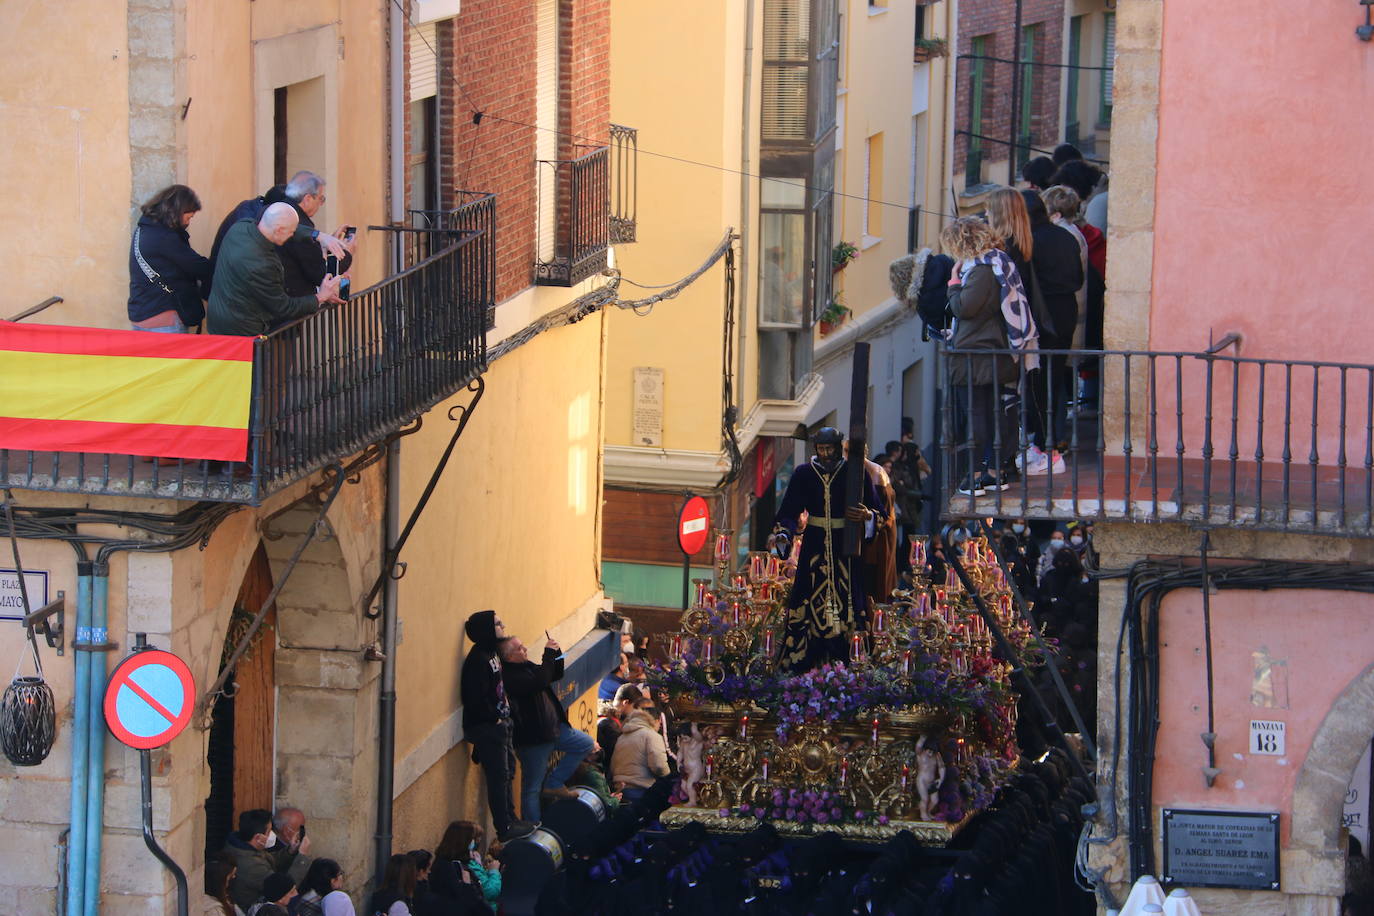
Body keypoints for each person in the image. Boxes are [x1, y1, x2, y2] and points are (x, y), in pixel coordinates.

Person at [768, 426, 879, 672]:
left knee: (849, 597)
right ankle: (802, 664)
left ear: (840, 448)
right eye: (821, 449)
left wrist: (867, 516)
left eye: (830, 449)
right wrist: (784, 533)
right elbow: (788, 511)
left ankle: (852, 660)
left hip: (846, 548)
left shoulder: (856, 473)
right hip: (814, 546)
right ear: (815, 449)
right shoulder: (803, 474)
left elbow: (877, 511)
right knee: (807, 598)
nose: (826, 454)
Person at [942, 217, 1032, 496]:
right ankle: (993, 472)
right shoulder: (996, 263)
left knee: (977, 415)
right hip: (992, 353)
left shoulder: (980, 270)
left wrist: (954, 283)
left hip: (976, 355)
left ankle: (978, 476)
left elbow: (964, 308)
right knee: (994, 414)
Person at [500, 633, 596, 822]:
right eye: (519, 648)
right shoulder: (510, 676)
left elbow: (555, 673)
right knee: (532, 788)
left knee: (585, 743)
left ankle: (554, 782)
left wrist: (557, 653)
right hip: (533, 738)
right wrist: (548, 655)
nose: (525, 649)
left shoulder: (526, 667)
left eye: (523, 645)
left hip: (554, 729)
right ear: (509, 657)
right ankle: (533, 828)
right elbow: (540, 681)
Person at [208, 203, 343, 337]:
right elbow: (283, 307)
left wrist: (318, 236)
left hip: (218, 320)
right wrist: (320, 297)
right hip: (242, 332)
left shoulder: (240, 228)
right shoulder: (262, 264)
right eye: (291, 232)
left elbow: (282, 225)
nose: (292, 235)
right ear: (279, 230)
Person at [460, 610, 533, 842]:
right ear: (486, 630)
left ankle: (511, 818)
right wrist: (495, 719)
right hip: (488, 728)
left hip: (500, 725)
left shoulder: (492, 652)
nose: (503, 626)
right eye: (498, 623)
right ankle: (504, 828)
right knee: (498, 777)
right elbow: (475, 698)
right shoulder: (477, 659)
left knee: (508, 772)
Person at [1022, 188, 1083, 452]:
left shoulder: (1031, 241)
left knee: (1036, 379)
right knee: (1055, 376)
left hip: (1042, 313)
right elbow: (1078, 279)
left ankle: (1040, 440)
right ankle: (1050, 438)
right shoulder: (1066, 237)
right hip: (1066, 311)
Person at [128, 184, 212, 333]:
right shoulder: (164, 237)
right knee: (174, 357)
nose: (188, 223)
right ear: (177, 211)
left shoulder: (144, 229)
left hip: (142, 312)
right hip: (163, 317)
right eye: (188, 217)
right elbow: (198, 267)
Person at [268, 172, 355, 298]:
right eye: (321, 199)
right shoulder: (297, 223)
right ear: (308, 199)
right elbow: (320, 273)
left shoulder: (280, 212)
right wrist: (347, 253)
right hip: (290, 304)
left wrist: (332, 242)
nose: (321, 204)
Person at [224, 809, 312, 913]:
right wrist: (302, 858)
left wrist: (290, 851)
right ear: (258, 837)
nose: (272, 834)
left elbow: (269, 859)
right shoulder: (250, 866)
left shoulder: (246, 848)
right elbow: (283, 889)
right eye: (269, 831)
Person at [610, 699, 672, 803]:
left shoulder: (622, 737)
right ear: (656, 721)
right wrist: (669, 777)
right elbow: (659, 766)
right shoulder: (652, 735)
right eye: (660, 724)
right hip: (642, 790)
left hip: (620, 790)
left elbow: (613, 766)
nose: (659, 727)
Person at [432, 821, 500, 911]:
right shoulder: (455, 867)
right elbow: (487, 892)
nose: (476, 842)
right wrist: (494, 871)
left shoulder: (453, 862)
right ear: (463, 840)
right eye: (473, 838)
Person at [596, 683, 643, 773]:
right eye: (635, 707)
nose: (636, 712)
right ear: (625, 703)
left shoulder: (608, 719)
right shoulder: (609, 725)